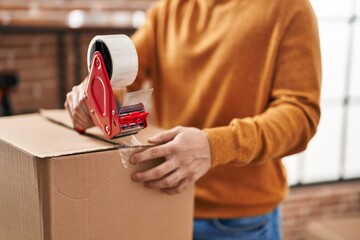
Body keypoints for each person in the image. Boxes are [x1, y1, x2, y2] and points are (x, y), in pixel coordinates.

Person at [65, 0, 321, 239]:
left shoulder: (289, 8)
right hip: (162, 201)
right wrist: (94, 95)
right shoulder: (170, 9)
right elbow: (125, 73)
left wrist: (215, 146)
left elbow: (300, 116)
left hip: (238, 220)